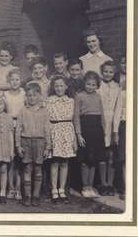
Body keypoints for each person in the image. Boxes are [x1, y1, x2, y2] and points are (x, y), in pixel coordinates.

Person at [15, 82, 51, 207]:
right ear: (26, 97)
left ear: (40, 96)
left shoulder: (44, 111)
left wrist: (48, 146)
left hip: (40, 142)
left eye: (34, 95)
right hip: (26, 142)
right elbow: (18, 129)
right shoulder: (23, 111)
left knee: (38, 169)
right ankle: (28, 196)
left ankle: (36, 196)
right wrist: (18, 146)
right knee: (27, 168)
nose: (32, 98)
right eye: (29, 95)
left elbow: (47, 129)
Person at [74, 71, 106, 198]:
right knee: (84, 160)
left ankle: (91, 186)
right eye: (88, 84)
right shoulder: (79, 96)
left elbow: (102, 116)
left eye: (93, 84)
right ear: (84, 84)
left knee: (93, 160)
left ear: (97, 85)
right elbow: (76, 116)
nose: (90, 87)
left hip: (97, 130)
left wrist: (104, 132)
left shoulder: (98, 96)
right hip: (85, 129)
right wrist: (79, 134)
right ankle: (84, 187)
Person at [46, 76, 77, 204]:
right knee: (55, 162)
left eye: (61, 86)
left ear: (66, 87)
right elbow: (46, 120)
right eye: (57, 86)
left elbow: (73, 120)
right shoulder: (49, 101)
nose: (59, 88)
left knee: (64, 162)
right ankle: (54, 190)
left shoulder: (70, 101)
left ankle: (62, 189)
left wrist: (74, 138)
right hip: (54, 130)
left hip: (67, 131)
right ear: (53, 87)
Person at [97, 61, 122, 196]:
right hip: (100, 123)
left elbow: (118, 110)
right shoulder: (98, 86)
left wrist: (115, 131)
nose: (108, 74)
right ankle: (103, 184)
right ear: (102, 72)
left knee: (111, 155)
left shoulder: (117, 88)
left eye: (111, 72)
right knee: (102, 155)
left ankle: (110, 184)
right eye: (105, 71)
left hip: (112, 123)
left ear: (114, 73)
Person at [4, 68, 25, 202]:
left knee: (19, 160)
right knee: (10, 160)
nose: (15, 82)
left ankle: (18, 188)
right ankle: (10, 187)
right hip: (9, 126)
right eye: (12, 79)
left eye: (17, 79)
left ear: (20, 81)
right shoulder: (5, 95)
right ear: (8, 81)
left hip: (22, 127)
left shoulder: (24, 93)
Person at [114, 80, 126, 200]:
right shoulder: (122, 93)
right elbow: (117, 113)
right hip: (124, 125)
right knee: (124, 159)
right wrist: (116, 132)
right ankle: (125, 188)